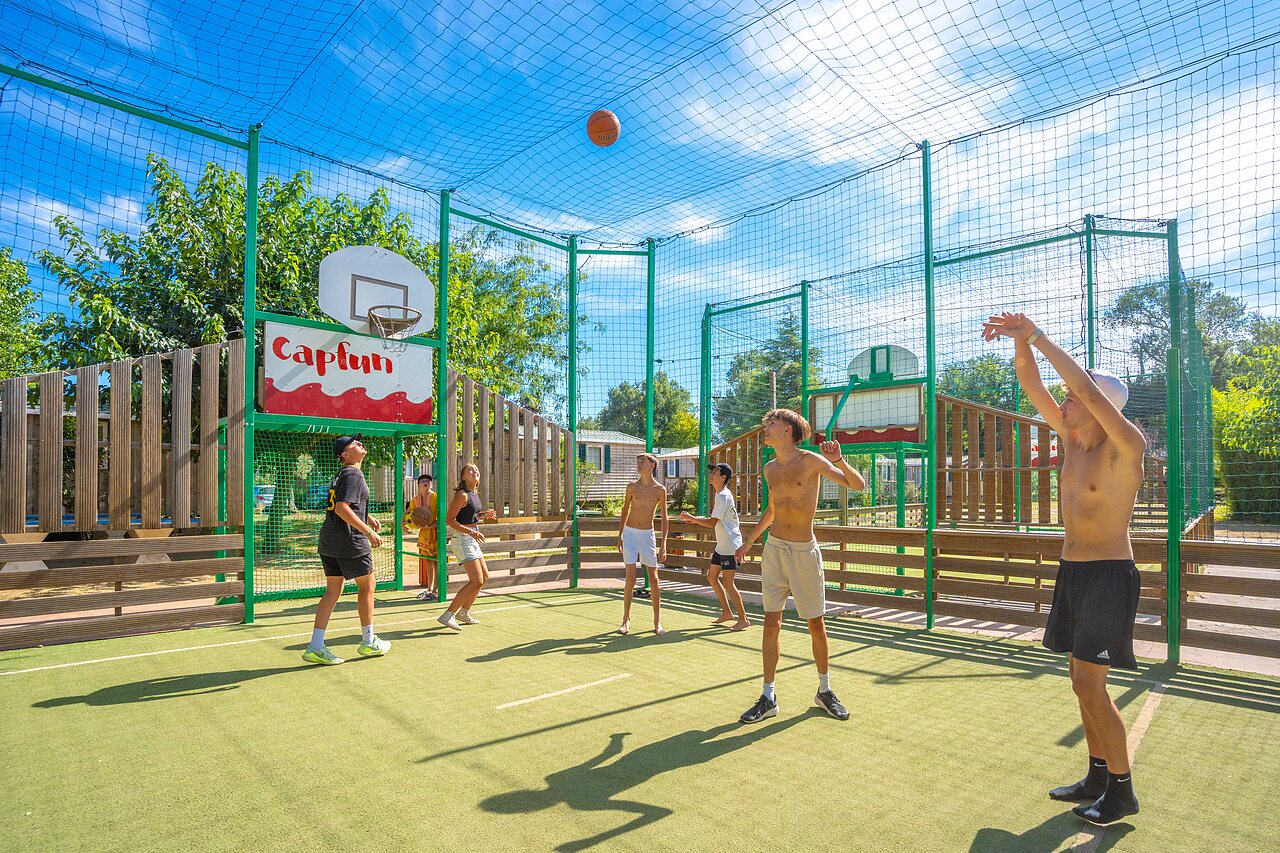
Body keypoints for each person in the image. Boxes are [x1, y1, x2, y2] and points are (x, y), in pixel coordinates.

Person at [982, 311, 1145, 827]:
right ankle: (1097, 774)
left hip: (1108, 576)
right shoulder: (1073, 442)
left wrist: (1038, 334)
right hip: (1073, 572)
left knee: (1092, 685)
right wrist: (1019, 343)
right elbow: (1031, 384)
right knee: (1079, 680)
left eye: (1075, 396)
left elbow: (1088, 393)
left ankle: (1121, 791)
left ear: (1100, 407)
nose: (1066, 400)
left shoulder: (1127, 447)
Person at [734, 409, 865, 723]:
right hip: (775, 549)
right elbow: (773, 509)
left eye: (772, 425)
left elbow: (857, 485)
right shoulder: (769, 468)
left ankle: (824, 691)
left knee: (815, 625)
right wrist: (749, 540)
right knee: (770, 622)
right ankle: (768, 697)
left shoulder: (810, 461)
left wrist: (838, 460)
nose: (766, 428)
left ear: (788, 432)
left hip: (804, 552)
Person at [302, 434, 392, 664]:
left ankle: (315, 646)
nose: (360, 443)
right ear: (345, 455)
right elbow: (342, 508)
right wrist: (368, 531)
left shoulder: (343, 473)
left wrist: (366, 516)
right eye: (354, 444)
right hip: (348, 540)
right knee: (368, 585)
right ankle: (369, 641)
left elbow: (343, 503)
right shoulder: (353, 472)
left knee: (333, 591)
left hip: (329, 539)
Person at [680, 462, 749, 631]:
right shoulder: (721, 495)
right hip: (722, 546)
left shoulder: (723, 496)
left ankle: (744, 619)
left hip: (731, 546)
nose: (711, 474)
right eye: (712, 472)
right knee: (712, 577)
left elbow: (712, 523)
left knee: (728, 583)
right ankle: (727, 613)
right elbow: (715, 520)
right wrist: (695, 518)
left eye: (715, 472)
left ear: (723, 478)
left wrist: (693, 518)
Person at [436, 463, 497, 630]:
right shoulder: (462, 495)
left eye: (476, 469)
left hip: (471, 537)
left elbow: (469, 515)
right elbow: (449, 520)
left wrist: (484, 514)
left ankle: (464, 612)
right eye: (470, 470)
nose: (475, 471)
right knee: (476, 580)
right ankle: (448, 615)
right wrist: (472, 533)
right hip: (463, 539)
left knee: (483, 578)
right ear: (463, 477)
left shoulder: (474, 494)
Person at [617, 453, 669, 636]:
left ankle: (657, 621)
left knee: (654, 579)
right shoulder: (631, 487)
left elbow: (664, 518)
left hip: (648, 536)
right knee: (630, 579)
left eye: (642, 462)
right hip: (630, 535)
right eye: (637, 461)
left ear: (652, 466)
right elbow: (625, 511)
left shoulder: (660, 489)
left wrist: (663, 544)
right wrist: (620, 535)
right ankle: (626, 619)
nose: (638, 464)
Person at [404, 473, 439, 601]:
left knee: (436, 561)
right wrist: (403, 523)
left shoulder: (435, 497)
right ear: (418, 485)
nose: (426, 482)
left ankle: (435, 590)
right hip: (424, 533)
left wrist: (432, 525)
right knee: (428, 561)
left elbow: (442, 515)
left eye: (428, 481)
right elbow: (407, 513)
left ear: (431, 484)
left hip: (435, 531)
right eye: (423, 481)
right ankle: (429, 589)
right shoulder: (415, 500)